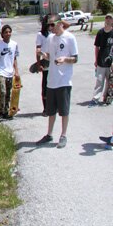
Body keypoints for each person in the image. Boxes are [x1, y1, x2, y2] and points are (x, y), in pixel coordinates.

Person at [37, 18, 78, 149]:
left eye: (52, 24)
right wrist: (43, 55)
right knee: (51, 111)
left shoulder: (70, 38)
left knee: (64, 110)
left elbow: (75, 58)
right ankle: (49, 134)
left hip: (64, 80)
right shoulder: (50, 38)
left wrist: (65, 59)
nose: (50, 27)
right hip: (52, 80)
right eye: (49, 25)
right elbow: (50, 56)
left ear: (60, 23)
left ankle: (63, 135)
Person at [0, 24, 20, 120]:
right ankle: (0, 112)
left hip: (10, 72)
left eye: (9, 32)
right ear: (2, 34)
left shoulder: (14, 44)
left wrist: (16, 71)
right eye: (6, 32)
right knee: (2, 91)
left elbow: (14, 58)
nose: (8, 34)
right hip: (1, 71)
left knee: (8, 92)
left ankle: (6, 112)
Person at [35, 14, 56, 115]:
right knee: (45, 86)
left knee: (55, 84)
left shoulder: (55, 34)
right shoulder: (40, 35)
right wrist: (39, 64)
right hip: (46, 62)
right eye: (50, 23)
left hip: (55, 62)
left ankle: (54, 106)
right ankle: (46, 108)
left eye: (53, 23)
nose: (52, 25)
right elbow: (38, 50)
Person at [92, 14, 113, 105]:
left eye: (110, 18)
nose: (108, 20)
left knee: (110, 81)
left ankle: (106, 97)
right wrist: (96, 60)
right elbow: (97, 47)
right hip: (101, 61)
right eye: (107, 18)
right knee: (99, 80)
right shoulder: (100, 32)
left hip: (111, 62)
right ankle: (95, 98)